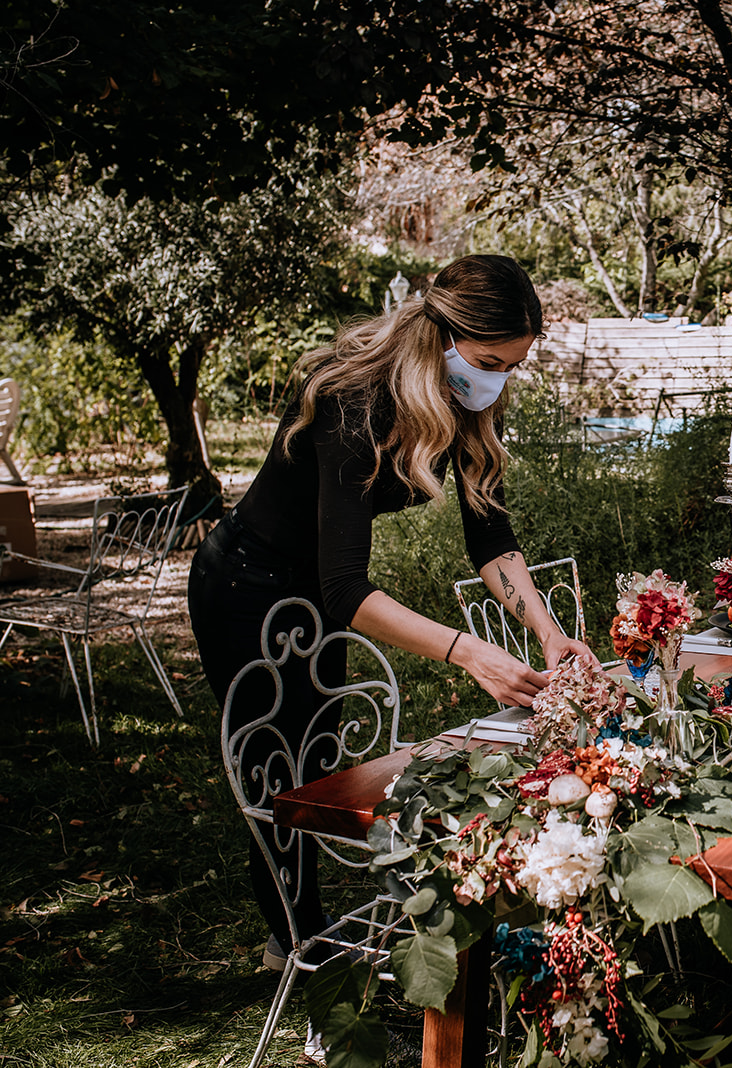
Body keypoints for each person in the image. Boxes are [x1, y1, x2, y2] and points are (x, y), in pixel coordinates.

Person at [189, 254, 597, 967]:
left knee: (315, 756)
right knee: (274, 770)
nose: (497, 379)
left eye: (512, 366)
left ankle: (300, 928)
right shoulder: (352, 397)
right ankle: (296, 944)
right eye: (488, 360)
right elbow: (346, 589)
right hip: (246, 586)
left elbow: (490, 535)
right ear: (442, 335)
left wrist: (547, 629)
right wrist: (469, 651)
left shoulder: (464, 395)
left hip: (315, 587)